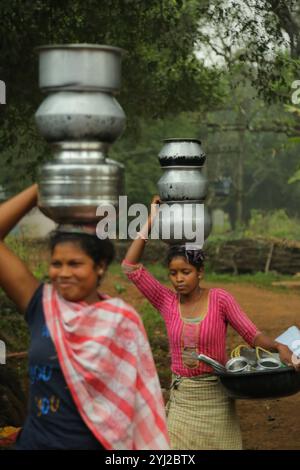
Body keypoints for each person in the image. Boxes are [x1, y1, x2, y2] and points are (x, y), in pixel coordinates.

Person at [0, 185, 169, 450]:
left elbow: (138, 401)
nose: (63, 273)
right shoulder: (43, 307)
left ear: (99, 266)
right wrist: (40, 186)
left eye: (75, 264)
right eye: (57, 264)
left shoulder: (121, 321)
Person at [122, 196, 298, 450]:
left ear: (200, 272)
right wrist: (151, 218)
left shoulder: (220, 300)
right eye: (173, 273)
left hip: (217, 399)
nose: (179, 279)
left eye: (186, 272)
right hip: (183, 401)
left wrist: (279, 346)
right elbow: (130, 266)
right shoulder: (166, 301)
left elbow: (252, 335)